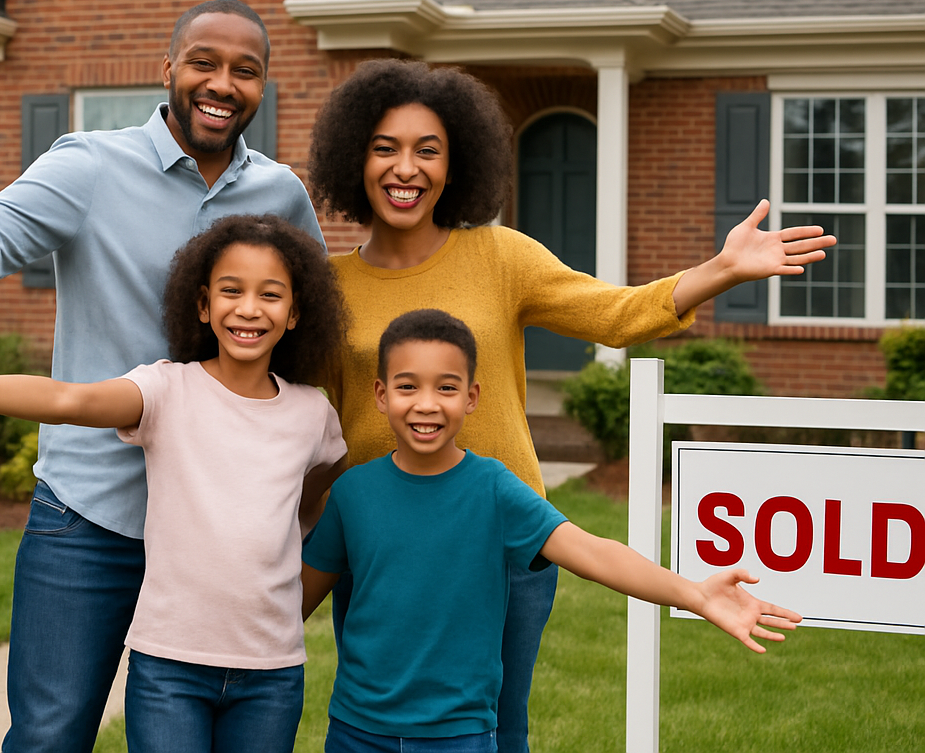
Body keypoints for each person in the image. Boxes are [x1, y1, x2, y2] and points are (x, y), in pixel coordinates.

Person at [306, 58, 835, 753]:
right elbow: (303, 419)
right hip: (380, 540)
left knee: (497, 727)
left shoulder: (499, 256)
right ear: (355, 158)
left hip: (503, 535)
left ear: (455, 161)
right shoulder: (328, 286)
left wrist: (720, 271)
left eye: (427, 150)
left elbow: (614, 314)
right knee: (382, 718)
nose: (406, 169)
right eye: (386, 148)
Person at [0, 0, 325, 753]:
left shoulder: (282, 196)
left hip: (215, 537)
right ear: (168, 69)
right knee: (51, 735)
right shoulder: (89, 164)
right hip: (91, 521)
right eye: (203, 62)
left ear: (264, 85)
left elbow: (309, 328)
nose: (222, 83)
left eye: (245, 70)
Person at [0, 214, 348, 753]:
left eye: (270, 295)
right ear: (203, 305)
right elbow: (70, 400)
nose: (249, 308)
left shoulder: (311, 414)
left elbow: (319, 486)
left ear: (295, 312)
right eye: (231, 291)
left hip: (272, 674)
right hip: (170, 670)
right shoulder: (166, 390)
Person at [300, 309, 801, 753]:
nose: (427, 404)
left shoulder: (494, 488)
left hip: (460, 734)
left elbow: (594, 552)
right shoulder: (352, 494)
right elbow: (297, 597)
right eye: (408, 386)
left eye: (446, 387)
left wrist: (692, 593)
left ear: (472, 397)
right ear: (381, 395)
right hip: (357, 730)